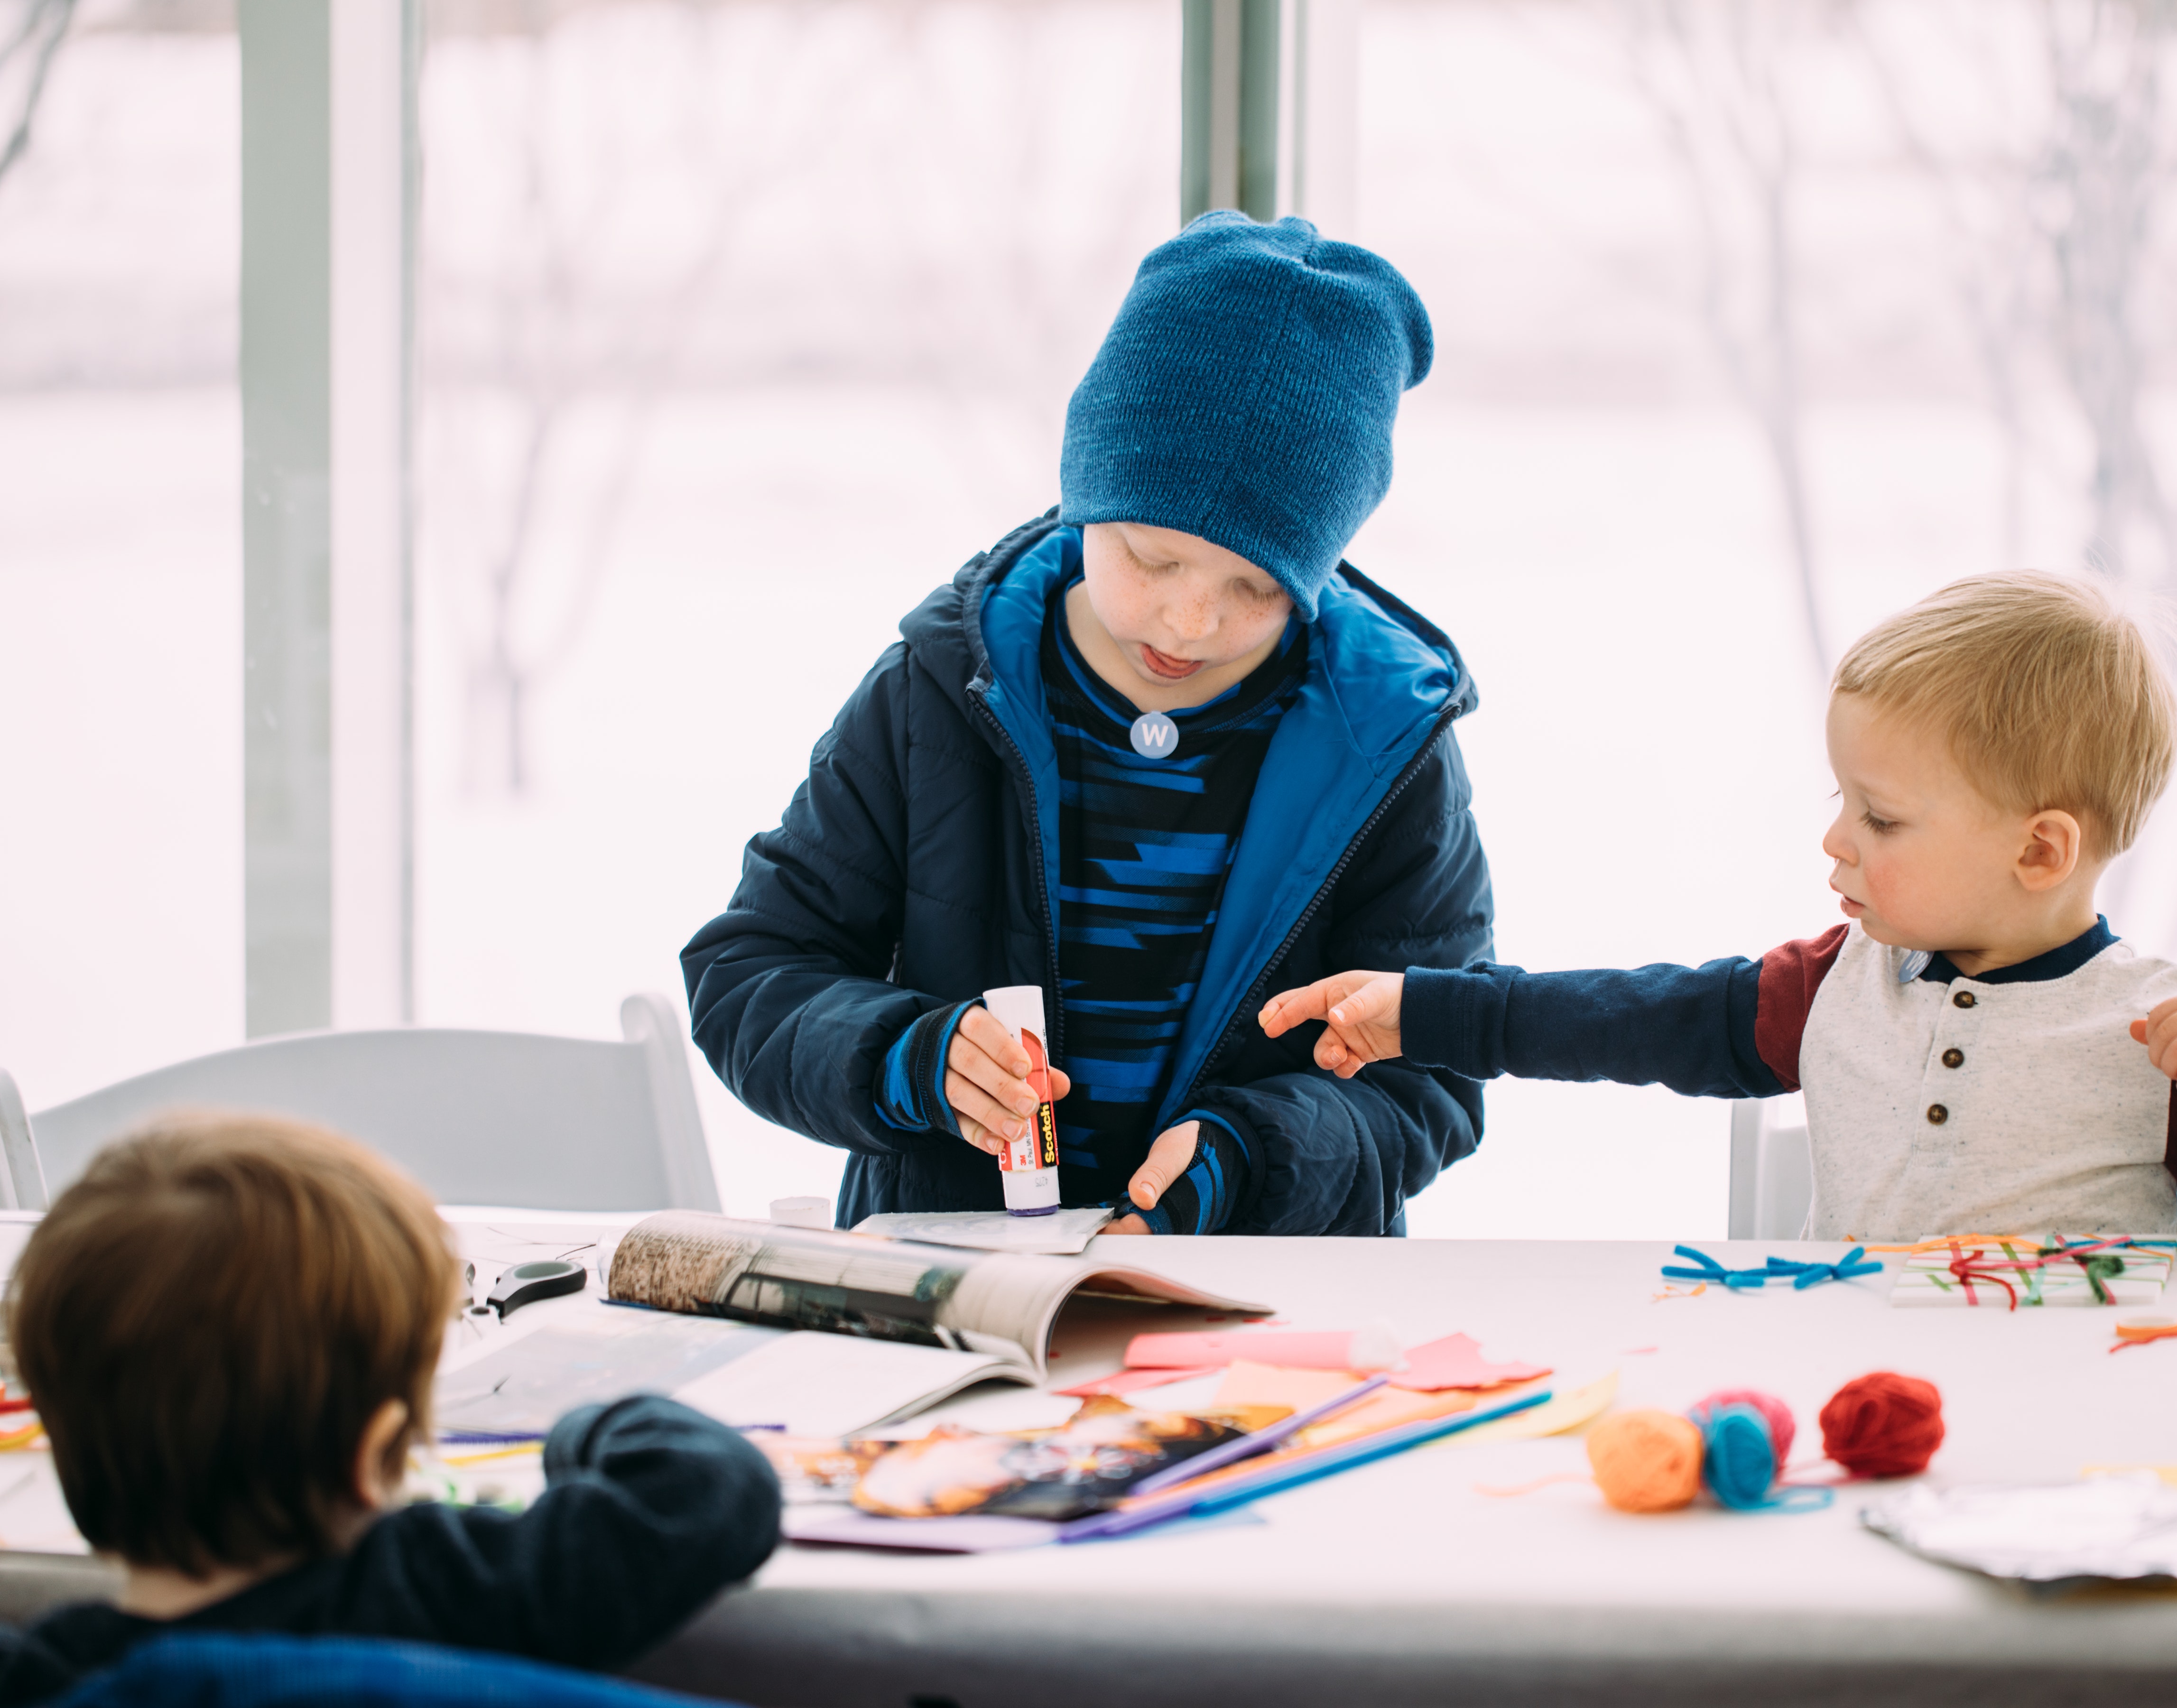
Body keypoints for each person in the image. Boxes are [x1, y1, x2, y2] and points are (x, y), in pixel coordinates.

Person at [682, 213, 1495, 1237]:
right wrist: (908, 1059)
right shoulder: (936, 693)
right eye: (1151, 559)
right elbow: (747, 972)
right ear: (1085, 496)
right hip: (958, 1291)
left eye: (1256, 587)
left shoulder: (1387, 746)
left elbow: (1434, 1077)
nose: (1189, 622)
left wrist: (1258, 1155)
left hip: (1264, 1311)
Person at [1260, 571, 2177, 1246]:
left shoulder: (2159, 1034)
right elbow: (1634, 1017)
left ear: (2040, 849)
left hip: (2082, 1438)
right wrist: (1425, 1011)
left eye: (1881, 820)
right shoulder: (1840, 985)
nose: (1837, 839)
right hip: (1865, 1411)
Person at [0, 1114, 781, 1705]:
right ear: (370, 1456)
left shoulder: (57, 1673)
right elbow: (711, 1486)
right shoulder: (451, 1588)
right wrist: (580, 1425)